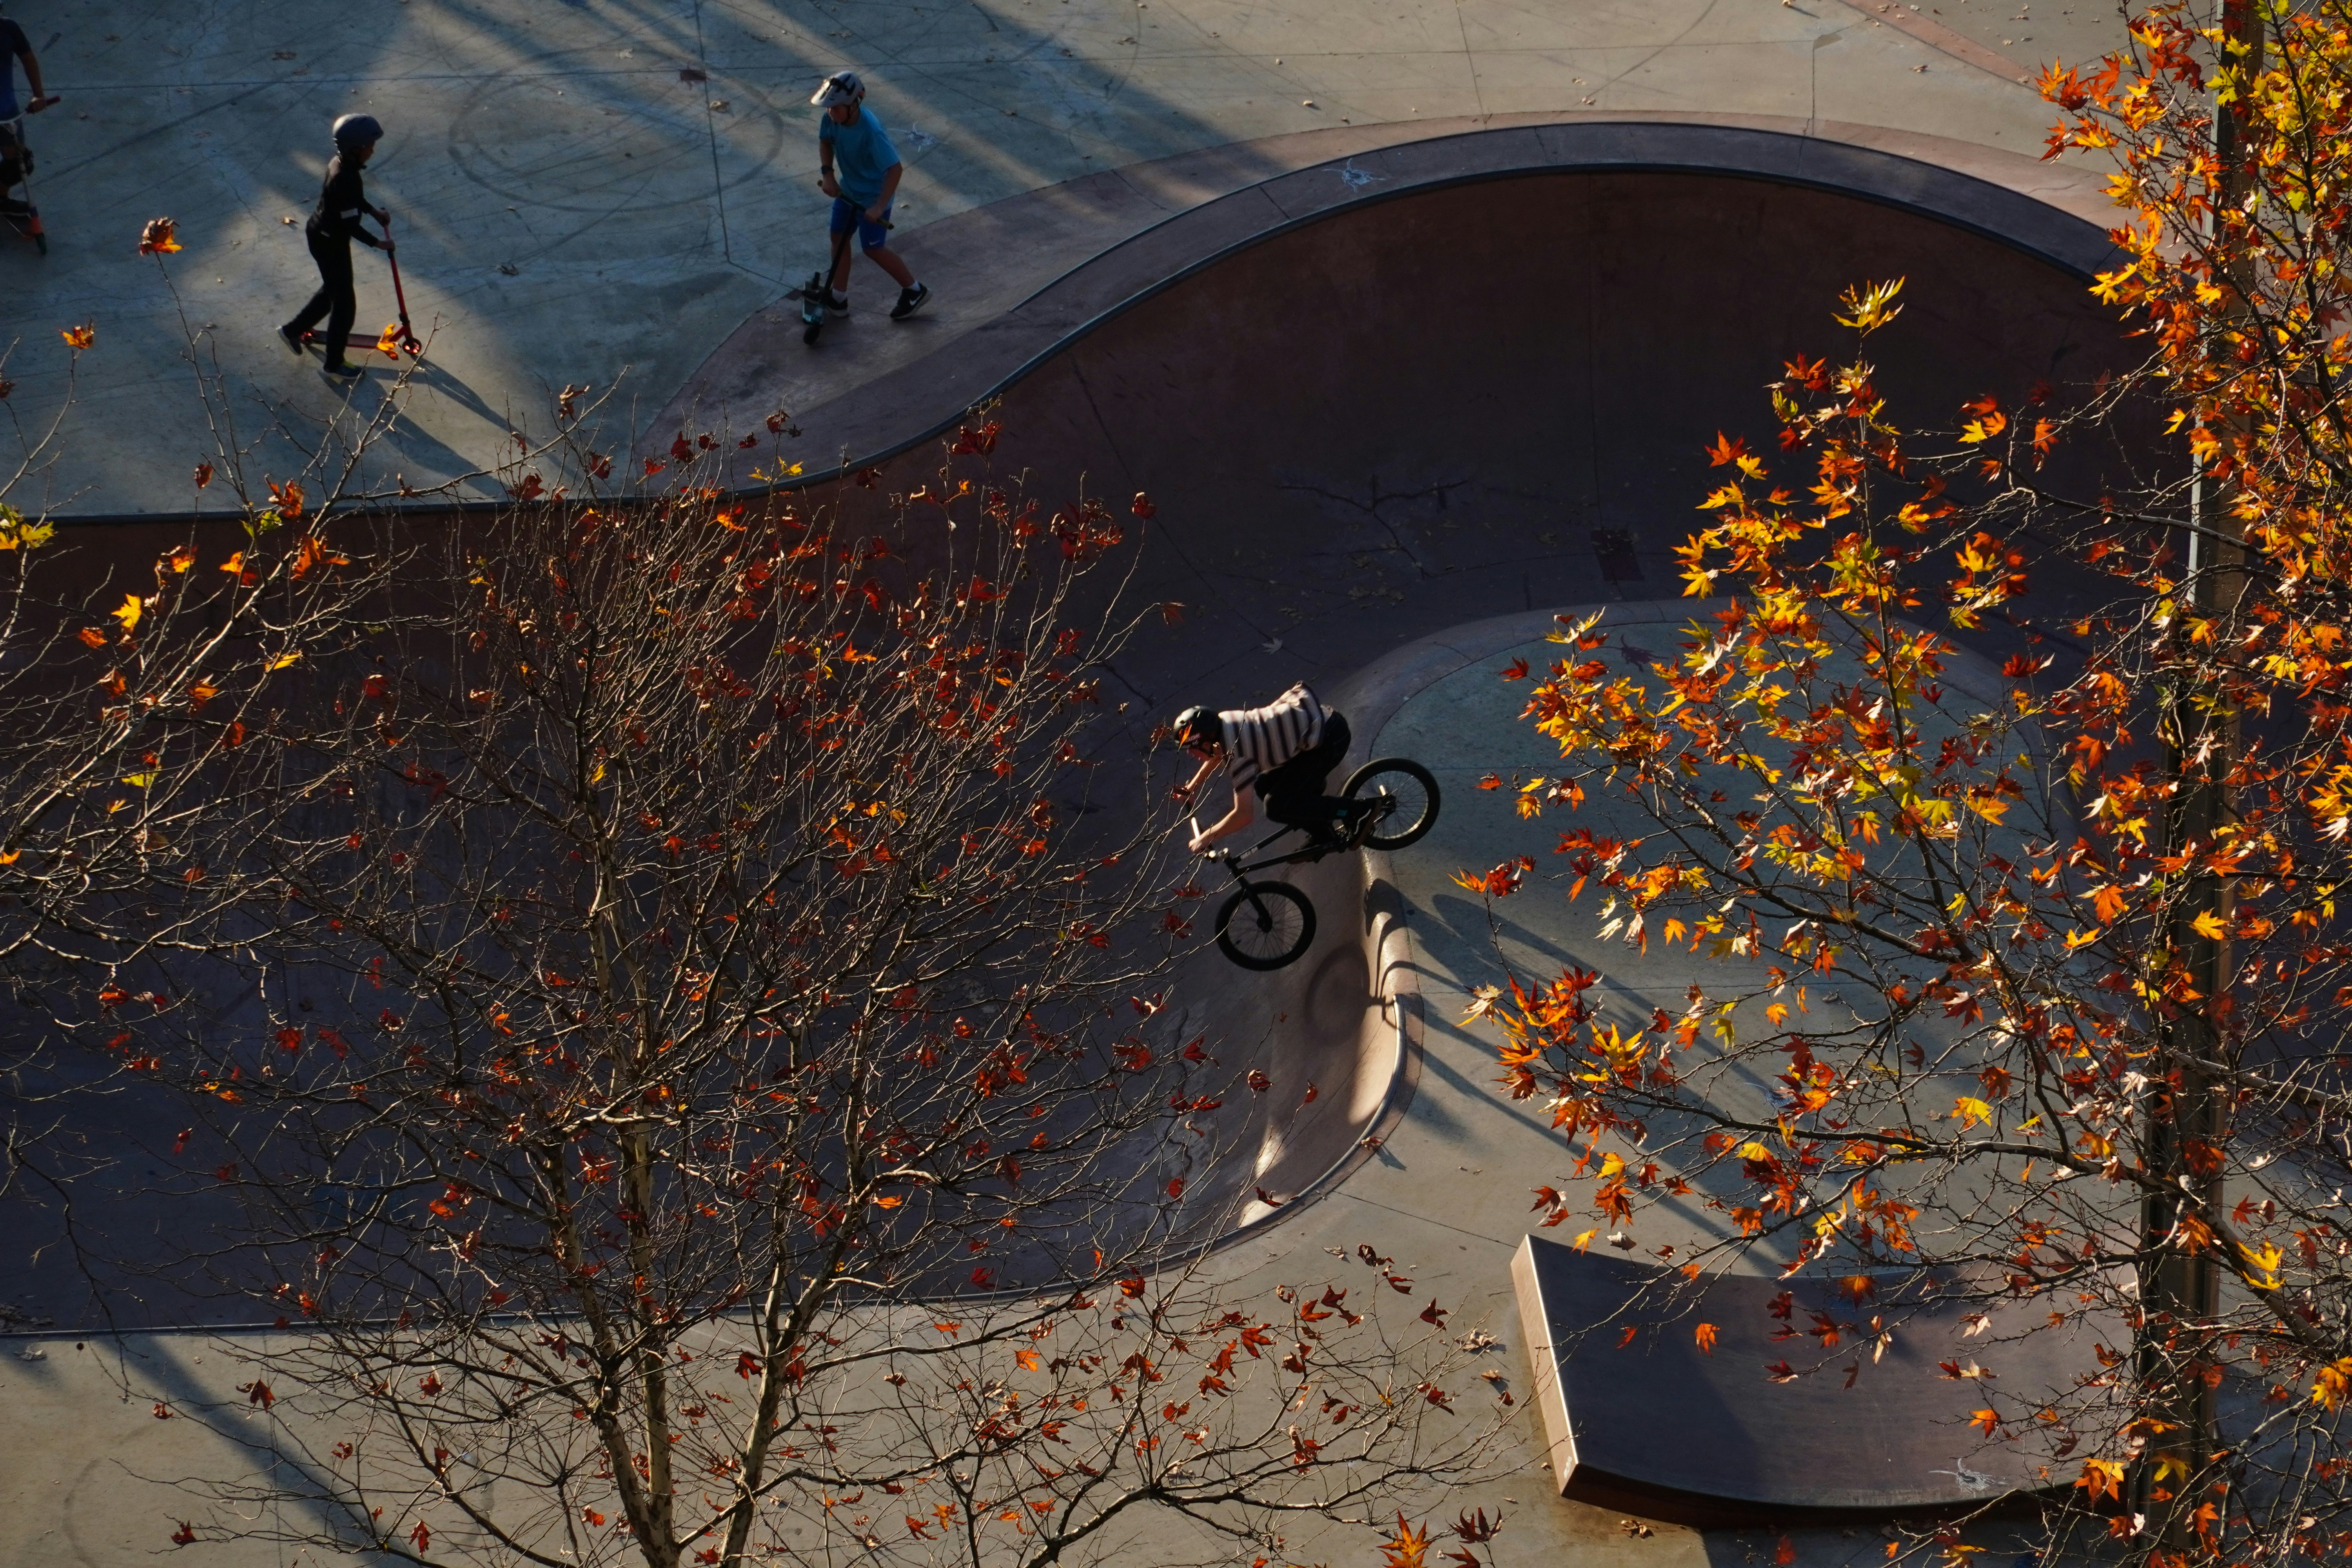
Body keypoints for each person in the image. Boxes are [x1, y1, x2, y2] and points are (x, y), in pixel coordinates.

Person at [1172, 684, 1369, 854]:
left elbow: (1243, 815)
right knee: (1264, 785)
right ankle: (1323, 833)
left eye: (1193, 749)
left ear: (1207, 743)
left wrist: (1206, 838)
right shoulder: (1222, 723)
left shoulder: (1239, 752)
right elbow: (1217, 755)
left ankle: (1355, 811)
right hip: (1315, 726)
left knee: (1277, 807)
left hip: (1329, 739)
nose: (1191, 754)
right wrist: (1192, 787)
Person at [278, 114, 394, 377]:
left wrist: (374, 212)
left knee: (333, 293)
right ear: (355, 149)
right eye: (370, 146)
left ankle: (292, 331)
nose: (373, 151)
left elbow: (354, 200)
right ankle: (334, 364)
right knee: (345, 305)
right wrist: (379, 244)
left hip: (325, 236)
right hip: (330, 241)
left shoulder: (342, 166)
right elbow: (350, 225)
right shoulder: (346, 178)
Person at [810, 71, 929, 322]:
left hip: (875, 197)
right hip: (848, 192)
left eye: (836, 108)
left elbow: (895, 169)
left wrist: (880, 206)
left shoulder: (871, 132)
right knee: (839, 239)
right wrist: (828, 174)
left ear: (856, 103)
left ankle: (915, 291)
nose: (831, 113)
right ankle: (839, 299)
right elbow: (825, 142)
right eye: (828, 108)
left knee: (873, 249)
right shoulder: (832, 118)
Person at [0, 8, 58, 209]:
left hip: (6, 112)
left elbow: (28, 59)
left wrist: (39, 96)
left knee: (19, 164)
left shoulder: (9, 29)